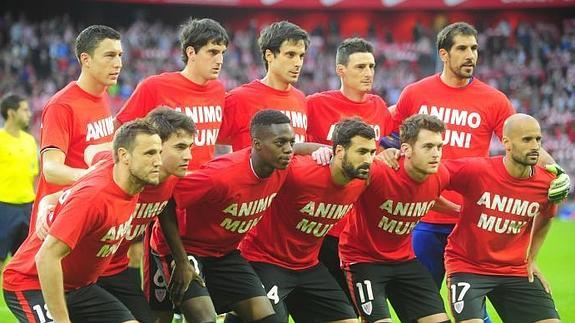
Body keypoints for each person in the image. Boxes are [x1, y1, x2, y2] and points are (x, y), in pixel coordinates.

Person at [389, 22, 569, 322]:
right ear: (443, 54)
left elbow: (523, 142)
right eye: (462, 48)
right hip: (427, 217)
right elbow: (392, 139)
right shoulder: (415, 93)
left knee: (474, 302)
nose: (470, 54)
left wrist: (556, 170)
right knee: (420, 305)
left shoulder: (494, 100)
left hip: (476, 220)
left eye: (474, 48)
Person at [113, 18, 229, 317]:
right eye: (212, 52)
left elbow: (221, 144)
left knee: (204, 301)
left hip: (198, 206)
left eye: (223, 53)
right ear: (191, 52)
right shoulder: (155, 86)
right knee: (159, 305)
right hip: (160, 202)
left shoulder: (219, 91)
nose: (219, 60)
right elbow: (123, 134)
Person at [3, 120, 162, 323]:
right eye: (149, 153)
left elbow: (67, 188)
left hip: (78, 287)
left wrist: (45, 205)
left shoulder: (125, 176)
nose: (158, 161)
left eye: (159, 152)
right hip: (32, 283)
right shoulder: (94, 197)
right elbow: (46, 258)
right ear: (124, 156)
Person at [151, 110, 295, 322]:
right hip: (186, 248)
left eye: (291, 142)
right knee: (204, 319)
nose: (289, 150)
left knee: (268, 318)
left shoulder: (282, 165)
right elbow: (168, 200)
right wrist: (181, 261)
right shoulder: (221, 176)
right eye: (281, 143)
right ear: (257, 144)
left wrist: (324, 150)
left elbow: (297, 150)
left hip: (225, 254)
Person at [239, 118, 376, 322]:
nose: (368, 159)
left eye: (372, 152)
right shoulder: (300, 172)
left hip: (308, 266)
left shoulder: (365, 177)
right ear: (338, 151)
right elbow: (264, 156)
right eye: (361, 152)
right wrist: (311, 148)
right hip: (264, 260)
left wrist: (393, 153)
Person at [443, 114, 560, 322]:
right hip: (468, 267)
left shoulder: (547, 184)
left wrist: (531, 258)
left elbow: (547, 217)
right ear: (506, 142)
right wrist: (453, 209)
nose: (535, 146)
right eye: (527, 140)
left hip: (515, 269)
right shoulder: (477, 170)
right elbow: (429, 176)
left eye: (538, 139)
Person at [305, 37, 395, 307]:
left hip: (360, 226)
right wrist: (313, 149)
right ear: (340, 70)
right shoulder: (315, 104)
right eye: (360, 67)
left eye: (371, 66)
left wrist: (387, 153)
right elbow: (291, 143)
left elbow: (379, 150)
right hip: (322, 223)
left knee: (352, 307)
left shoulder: (379, 106)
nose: (368, 73)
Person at [339, 114, 451, 323]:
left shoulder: (440, 175)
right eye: (428, 146)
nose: (436, 154)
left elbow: (430, 197)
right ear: (406, 149)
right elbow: (341, 181)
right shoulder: (379, 172)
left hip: (404, 260)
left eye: (439, 146)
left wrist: (461, 211)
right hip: (363, 260)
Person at [93, 108, 196, 323]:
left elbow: (164, 209)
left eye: (190, 147)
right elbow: (92, 153)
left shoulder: (173, 177)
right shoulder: (122, 170)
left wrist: (182, 260)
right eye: (180, 147)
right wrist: (49, 202)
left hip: (117, 268)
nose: (188, 156)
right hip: (86, 273)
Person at [29, 25, 122, 234]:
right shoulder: (61, 105)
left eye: (119, 55)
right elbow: (51, 170)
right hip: (59, 219)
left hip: (89, 210)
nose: (118, 63)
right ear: (86, 59)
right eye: (109, 55)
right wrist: (94, 176)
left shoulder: (103, 96)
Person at [217, 21, 309, 151]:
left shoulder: (301, 99)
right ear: (269, 55)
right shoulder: (240, 99)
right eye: (290, 55)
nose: (298, 63)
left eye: (301, 56)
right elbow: (204, 141)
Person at [0, 94, 37, 271]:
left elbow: (34, 174)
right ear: (11, 113)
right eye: (24, 110)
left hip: (27, 208)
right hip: (3, 207)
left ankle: (16, 299)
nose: (29, 114)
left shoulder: (30, 141)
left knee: (24, 263)